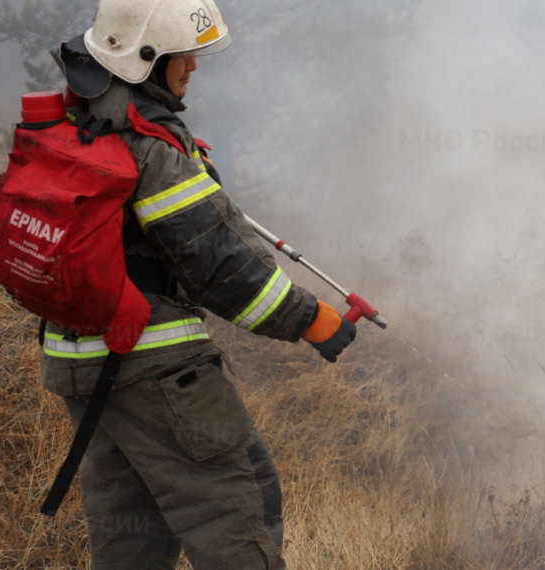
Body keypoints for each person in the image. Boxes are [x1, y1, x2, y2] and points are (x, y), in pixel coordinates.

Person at [42, 0, 355, 567]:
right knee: (238, 505)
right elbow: (216, 263)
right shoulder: (151, 147)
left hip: (78, 361)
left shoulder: (75, 121)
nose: (192, 66)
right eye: (180, 55)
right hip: (151, 363)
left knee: (132, 524)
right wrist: (311, 319)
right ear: (143, 58)